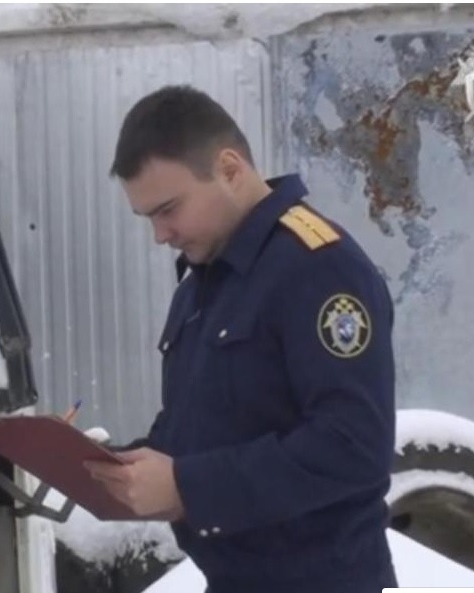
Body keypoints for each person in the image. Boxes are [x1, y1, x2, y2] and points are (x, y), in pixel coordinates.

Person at [84, 85, 398, 593]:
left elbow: (353, 444)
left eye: (168, 209)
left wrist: (186, 487)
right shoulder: (203, 286)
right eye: (149, 218)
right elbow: (203, 432)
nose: (161, 235)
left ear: (230, 169)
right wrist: (113, 468)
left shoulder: (318, 267)